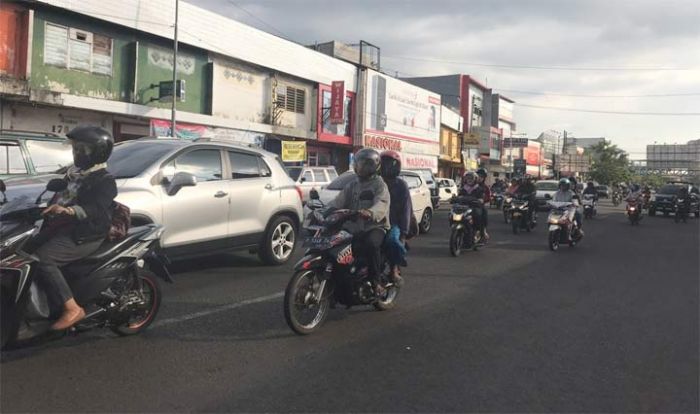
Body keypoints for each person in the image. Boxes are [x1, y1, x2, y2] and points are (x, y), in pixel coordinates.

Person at [34, 125, 117, 330]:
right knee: (19, 250)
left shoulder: (105, 180)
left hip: (86, 234)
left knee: (42, 258)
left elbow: (96, 208)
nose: (76, 153)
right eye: (75, 149)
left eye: (82, 149)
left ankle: (72, 308)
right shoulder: (75, 173)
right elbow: (61, 195)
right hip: (62, 228)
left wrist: (69, 211)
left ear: (96, 152)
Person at [328, 148, 390, 293]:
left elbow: (381, 203)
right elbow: (338, 201)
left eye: (365, 164)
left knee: (371, 244)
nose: (361, 167)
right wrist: (323, 210)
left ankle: (376, 282)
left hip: (375, 226)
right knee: (336, 245)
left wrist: (369, 212)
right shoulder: (353, 184)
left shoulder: (379, 185)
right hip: (355, 227)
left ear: (374, 166)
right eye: (359, 163)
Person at [379, 150, 411, 287]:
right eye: (384, 164)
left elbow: (406, 210)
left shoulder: (401, 185)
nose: (386, 167)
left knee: (393, 241)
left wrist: (404, 233)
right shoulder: (377, 183)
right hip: (375, 222)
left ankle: (394, 268)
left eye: (390, 164)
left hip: (394, 224)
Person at [458, 171, 486, 240]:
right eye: (468, 178)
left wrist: (480, 200)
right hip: (464, 208)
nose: (469, 180)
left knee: (477, 213)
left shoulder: (479, 189)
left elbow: (481, 198)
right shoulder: (463, 189)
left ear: (475, 180)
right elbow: (459, 196)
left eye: (471, 178)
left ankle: (478, 231)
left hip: (474, 207)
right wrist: (454, 199)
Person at [476, 168, 490, 241]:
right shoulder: (470, 184)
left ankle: (483, 231)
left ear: (484, 178)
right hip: (468, 205)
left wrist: (482, 200)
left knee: (484, 212)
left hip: (479, 206)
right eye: (478, 176)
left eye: (481, 176)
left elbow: (488, 197)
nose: (479, 178)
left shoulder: (485, 187)